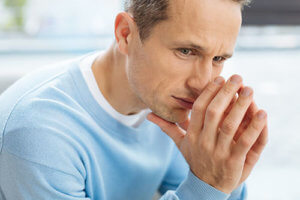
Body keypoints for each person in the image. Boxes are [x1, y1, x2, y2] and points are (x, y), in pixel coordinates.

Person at [0, 0, 268, 199]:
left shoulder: (168, 103)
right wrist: (210, 184)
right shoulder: (40, 133)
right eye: (186, 51)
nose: (203, 83)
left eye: (218, 59)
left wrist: (227, 173)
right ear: (125, 34)